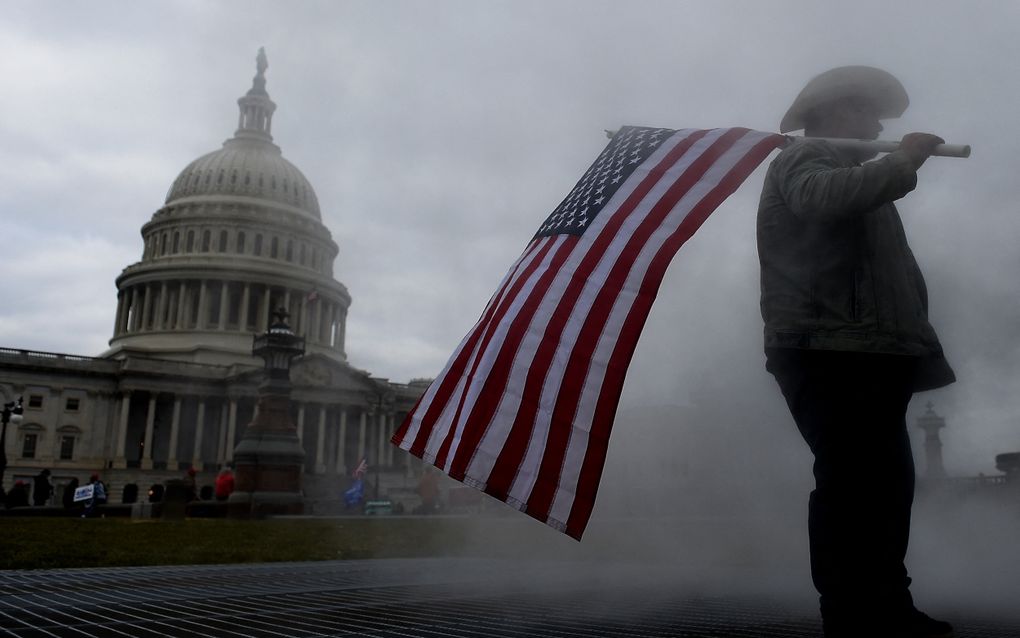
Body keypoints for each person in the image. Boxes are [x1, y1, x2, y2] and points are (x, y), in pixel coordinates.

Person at [758, 66, 955, 638]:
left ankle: (888, 605)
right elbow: (821, 200)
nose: (875, 125)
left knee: (887, 486)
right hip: (827, 350)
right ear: (832, 112)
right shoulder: (806, 158)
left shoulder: (858, 175)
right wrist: (901, 161)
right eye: (866, 112)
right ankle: (850, 613)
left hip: (871, 352)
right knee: (850, 485)